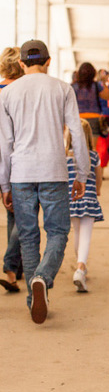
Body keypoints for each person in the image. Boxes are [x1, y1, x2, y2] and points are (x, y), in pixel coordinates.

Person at [0, 40, 88, 323]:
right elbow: (76, 130)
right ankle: (42, 278)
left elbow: (5, 143)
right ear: (48, 61)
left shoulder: (8, 94)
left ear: (22, 63)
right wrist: (82, 173)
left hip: (21, 173)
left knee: (27, 236)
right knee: (58, 233)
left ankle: (32, 299)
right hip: (54, 171)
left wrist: (4, 185)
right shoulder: (63, 89)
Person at [65, 119, 103, 292]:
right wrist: (98, 189)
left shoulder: (65, 157)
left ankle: (80, 264)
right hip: (88, 199)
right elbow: (99, 177)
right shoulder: (93, 156)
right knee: (86, 234)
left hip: (71, 200)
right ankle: (80, 268)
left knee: (77, 231)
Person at [0, 46, 23, 293]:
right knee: (22, 214)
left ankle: (15, 268)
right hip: (18, 157)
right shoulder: (22, 91)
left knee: (12, 212)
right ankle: (10, 264)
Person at [72, 62, 109, 167]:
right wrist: (104, 82)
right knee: (92, 148)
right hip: (94, 118)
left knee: (78, 147)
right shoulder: (96, 85)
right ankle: (91, 172)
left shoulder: (73, 86)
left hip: (78, 119)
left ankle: (79, 170)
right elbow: (107, 96)